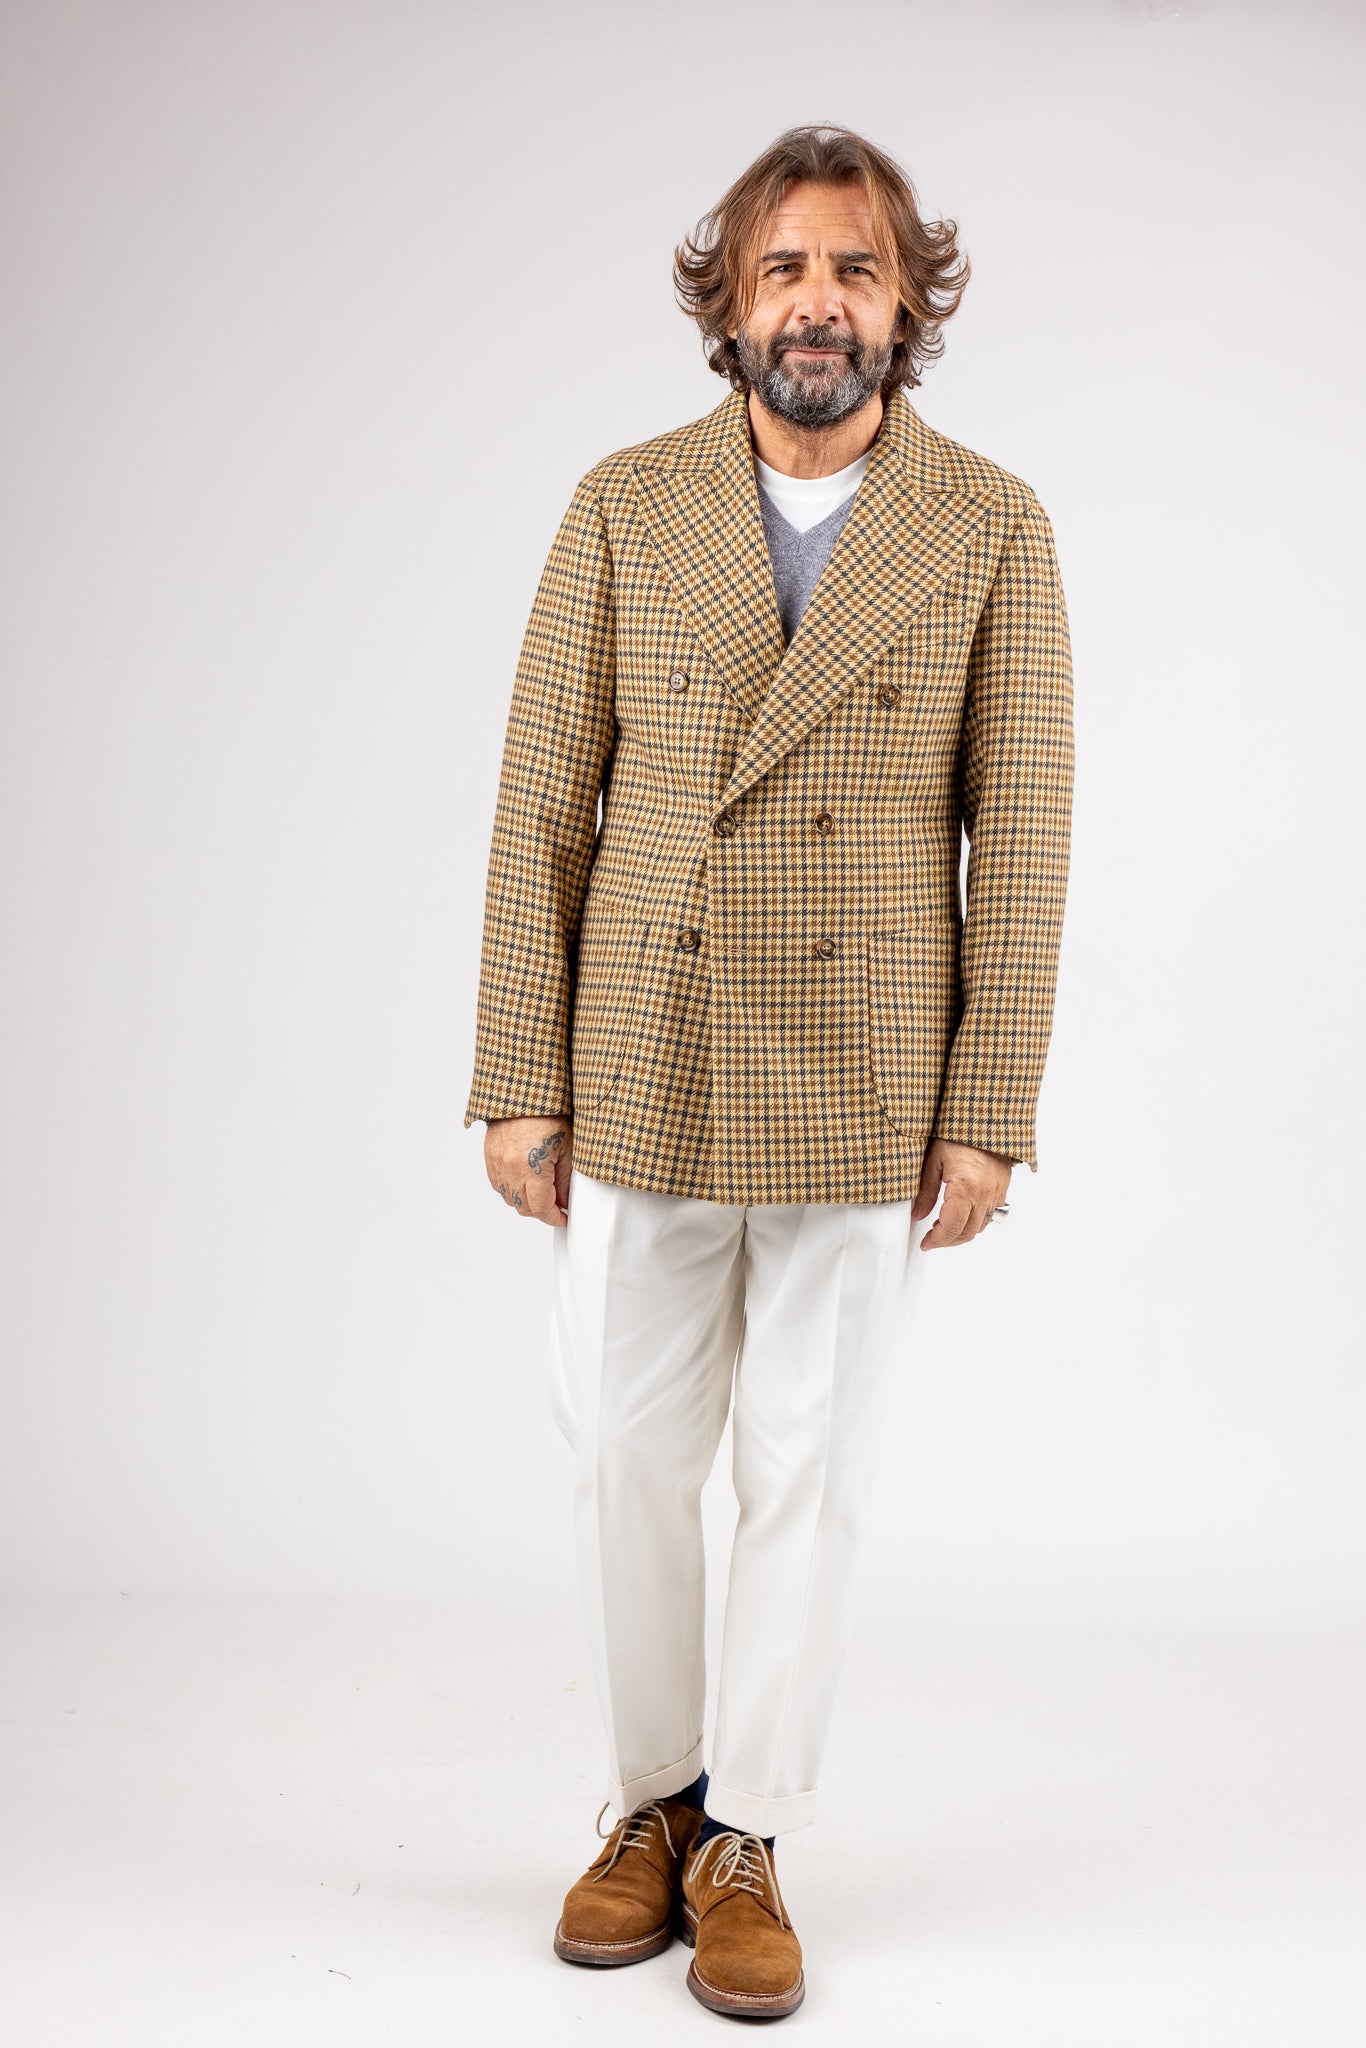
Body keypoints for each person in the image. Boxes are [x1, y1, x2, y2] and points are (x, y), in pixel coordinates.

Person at [463, 121, 1074, 2021]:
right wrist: (518, 1070)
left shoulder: (989, 523)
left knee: (809, 1473)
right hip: (645, 1043)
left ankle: (748, 1839)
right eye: (786, 269)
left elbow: (1021, 834)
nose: (821, 303)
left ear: (907, 306)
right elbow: (543, 800)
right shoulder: (622, 504)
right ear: (729, 305)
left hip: (862, 1069)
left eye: (856, 270)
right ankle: (647, 1801)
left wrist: (987, 1109)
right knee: (624, 1458)